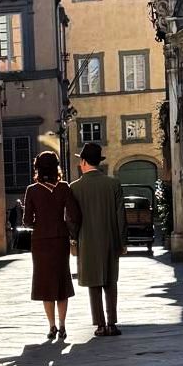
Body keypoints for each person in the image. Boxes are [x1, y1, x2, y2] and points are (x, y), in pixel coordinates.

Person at [70, 141, 127, 337]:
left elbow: (72, 219)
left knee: (94, 284)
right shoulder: (113, 184)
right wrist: (122, 242)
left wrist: (73, 240)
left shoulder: (74, 188)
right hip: (111, 239)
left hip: (86, 241)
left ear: (84, 162)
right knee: (111, 282)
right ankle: (112, 323)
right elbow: (121, 216)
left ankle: (100, 324)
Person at [23, 150, 81, 341]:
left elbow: (27, 221)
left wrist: (38, 222)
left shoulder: (31, 190)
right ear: (57, 167)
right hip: (60, 239)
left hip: (40, 241)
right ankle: (63, 325)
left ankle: (52, 326)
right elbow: (72, 214)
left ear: (37, 168)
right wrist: (71, 232)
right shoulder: (64, 187)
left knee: (45, 283)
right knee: (62, 281)